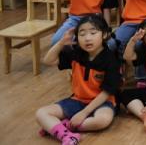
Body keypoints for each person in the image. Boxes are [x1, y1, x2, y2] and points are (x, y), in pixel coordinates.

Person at [36, 15, 120, 144]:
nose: (87, 38)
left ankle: (61, 127)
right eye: (82, 34)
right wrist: (61, 43)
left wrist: (84, 113)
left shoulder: (110, 60)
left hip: (103, 102)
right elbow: (48, 61)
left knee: (103, 120)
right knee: (41, 113)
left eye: (93, 33)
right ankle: (66, 135)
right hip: (77, 100)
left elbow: (107, 93)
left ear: (104, 35)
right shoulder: (76, 54)